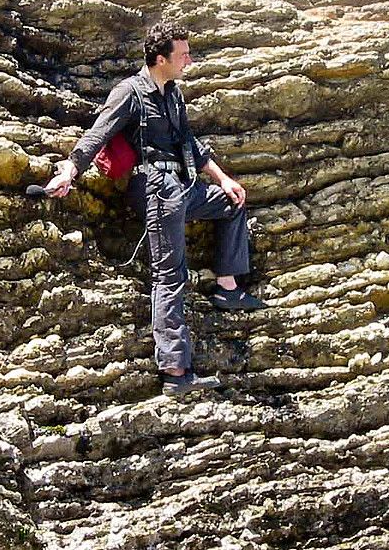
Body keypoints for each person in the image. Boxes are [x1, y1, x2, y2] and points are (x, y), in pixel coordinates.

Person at [44, 21, 264, 397]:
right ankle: (176, 372)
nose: (189, 60)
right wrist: (70, 170)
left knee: (231, 203)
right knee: (170, 274)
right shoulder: (130, 93)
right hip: (155, 188)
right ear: (160, 58)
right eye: (183, 55)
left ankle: (228, 288)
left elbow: (189, 143)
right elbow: (98, 133)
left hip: (182, 186)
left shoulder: (173, 94)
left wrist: (222, 178)